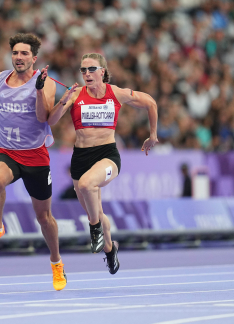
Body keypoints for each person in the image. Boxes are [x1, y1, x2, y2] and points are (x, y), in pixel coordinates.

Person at [47, 53, 158, 275]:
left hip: (107, 155)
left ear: (103, 72)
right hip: (80, 158)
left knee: (88, 185)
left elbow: (150, 103)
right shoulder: (75, 94)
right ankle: (109, 249)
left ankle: (94, 228)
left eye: (91, 69)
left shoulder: (115, 93)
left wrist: (153, 134)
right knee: (95, 210)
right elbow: (50, 121)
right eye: (83, 70)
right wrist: (63, 100)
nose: (87, 74)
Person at [0, 33, 67, 291]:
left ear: (34, 58)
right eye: (15, 53)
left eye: (24, 54)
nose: (19, 57)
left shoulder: (48, 83)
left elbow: (44, 118)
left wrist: (39, 90)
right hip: (7, 151)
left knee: (44, 217)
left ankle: (56, 263)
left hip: (35, 155)